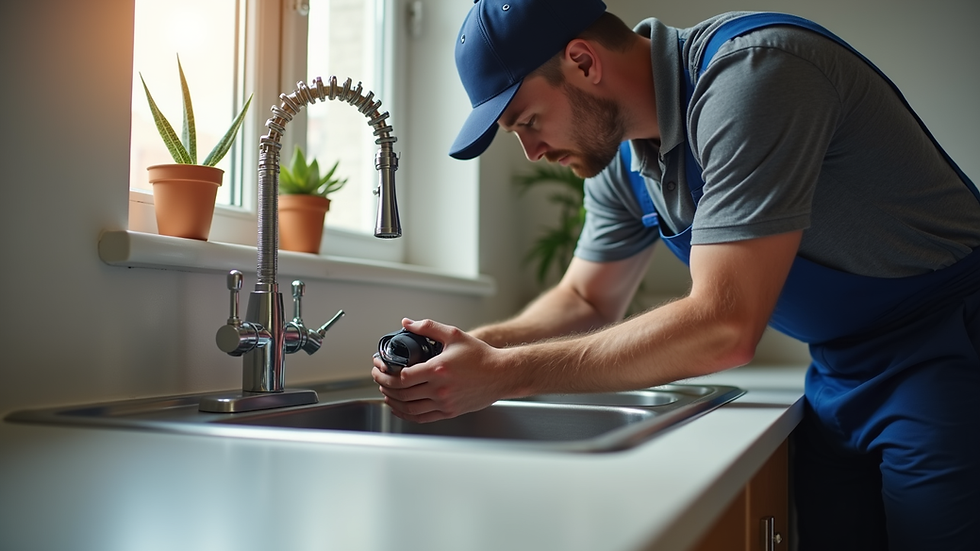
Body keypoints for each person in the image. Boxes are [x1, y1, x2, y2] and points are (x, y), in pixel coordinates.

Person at [372, 0, 980, 548]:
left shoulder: (754, 76)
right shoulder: (622, 158)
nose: (531, 151)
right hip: (838, 372)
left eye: (527, 121)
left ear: (583, 62)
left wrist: (503, 375)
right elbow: (585, 297)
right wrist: (462, 354)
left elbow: (724, 325)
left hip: (950, 350)